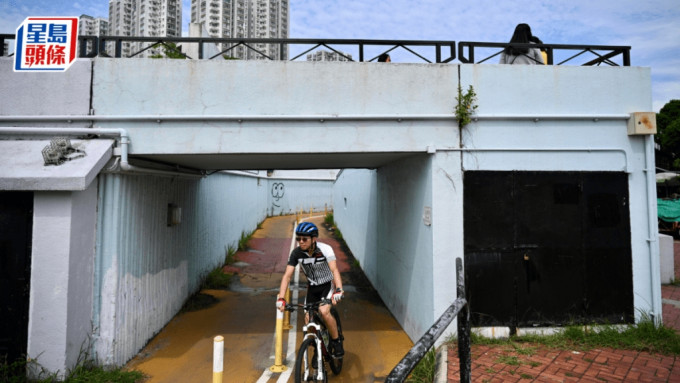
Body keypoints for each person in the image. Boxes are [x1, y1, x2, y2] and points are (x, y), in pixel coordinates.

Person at [276, 222, 345, 357]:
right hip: (312, 288)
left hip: (327, 286)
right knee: (308, 319)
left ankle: (336, 341)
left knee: (324, 311)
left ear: (314, 239)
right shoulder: (296, 253)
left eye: (304, 239)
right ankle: (317, 351)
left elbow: (334, 270)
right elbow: (287, 276)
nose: (300, 242)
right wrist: (281, 298)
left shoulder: (325, 249)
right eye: (298, 239)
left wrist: (338, 289)